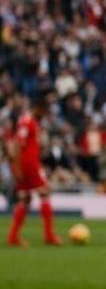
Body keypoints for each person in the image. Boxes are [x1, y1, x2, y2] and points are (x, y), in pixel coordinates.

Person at [6, 95, 62, 247]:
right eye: (44, 111)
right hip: (29, 165)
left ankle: (13, 237)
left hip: (28, 163)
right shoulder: (27, 121)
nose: (45, 114)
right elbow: (17, 144)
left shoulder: (32, 122)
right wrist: (16, 168)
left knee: (25, 199)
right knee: (45, 193)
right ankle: (49, 235)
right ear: (39, 109)